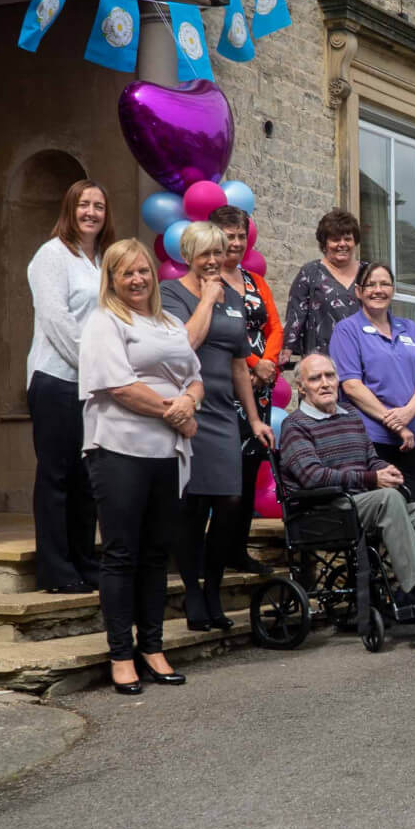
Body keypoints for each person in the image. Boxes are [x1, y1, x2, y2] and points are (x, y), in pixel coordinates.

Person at [78, 238, 202, 694]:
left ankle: (152, 647)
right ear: (111, 279)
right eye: (126, 273)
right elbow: (118, 386)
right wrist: (174, 412)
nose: (136, 280)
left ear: (154, 274)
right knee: (121, 553)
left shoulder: (169, 322)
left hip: (166, 453)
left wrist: (188, 401)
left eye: (143, 271)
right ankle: (121, 654)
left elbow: (195, 377)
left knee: (155, 554)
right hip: (119, 448)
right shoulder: (104, 321)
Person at [277, 353, 415, 625]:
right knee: (388, 499)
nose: (324, 383)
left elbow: (370, 457)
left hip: (365, 505)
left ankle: (413, 594)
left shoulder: (351, 415)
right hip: (325, 512)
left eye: (329, 376)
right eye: (315, 378)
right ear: (301, 387)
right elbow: (313, 477)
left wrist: (386, 469)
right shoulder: (295, 425)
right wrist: (370, 479)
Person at [160, 222, 274, 632]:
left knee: (229, 502)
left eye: (218, 253)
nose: (213, 261)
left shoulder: (235, 299)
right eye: (204, 254)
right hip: (189, 412)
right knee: (192, 507)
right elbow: (183, 345)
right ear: (187, 256)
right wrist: (207, 299)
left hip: (225, 414)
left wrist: (256, 419)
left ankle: (213, 587)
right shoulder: (172, 294)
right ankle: (194, 592)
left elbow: (239, 362)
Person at [24, 178, 111, 593]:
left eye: (98, 206)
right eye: (83, 205)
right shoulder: (51, 256)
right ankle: (56, 570)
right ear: (69, 209)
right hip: (57, 379)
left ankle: (84, 560)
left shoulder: (101, 261)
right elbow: (56, 320)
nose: (91, 212)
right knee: (57, 476)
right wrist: (94, 366)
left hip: (94, 385)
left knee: (86, 477)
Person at [207, 205, 282, 570]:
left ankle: (238, 550)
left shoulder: (255, 281)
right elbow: (223, 333)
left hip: (260, 390)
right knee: (226, 478)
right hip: (224, 388)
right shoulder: (209, 282)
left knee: (250, 470)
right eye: (228, 236)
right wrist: (253, 364)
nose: (235, 243)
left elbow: (275, 328)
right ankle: (215, 553)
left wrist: (266, 365)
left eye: (240, 236)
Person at [328, 261, 415, 502]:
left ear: (393, 289)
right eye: (371, 284)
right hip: (373, 440)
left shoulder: (410, 329)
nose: (378, 290)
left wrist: (408, 413)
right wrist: (397, 424)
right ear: (358, 291)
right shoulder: (347, 330)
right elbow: (351, 386)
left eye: (385, 284)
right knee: (388, 516)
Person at [282, 207, 364, 365]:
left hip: (362, 359)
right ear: (324, 244)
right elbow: (295, 315)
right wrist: (286, 349)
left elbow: (382, 314)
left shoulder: (368, 273)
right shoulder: (310, 272)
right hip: (322, 362)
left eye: (347, 239)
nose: (342, 244)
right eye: (335, 239)